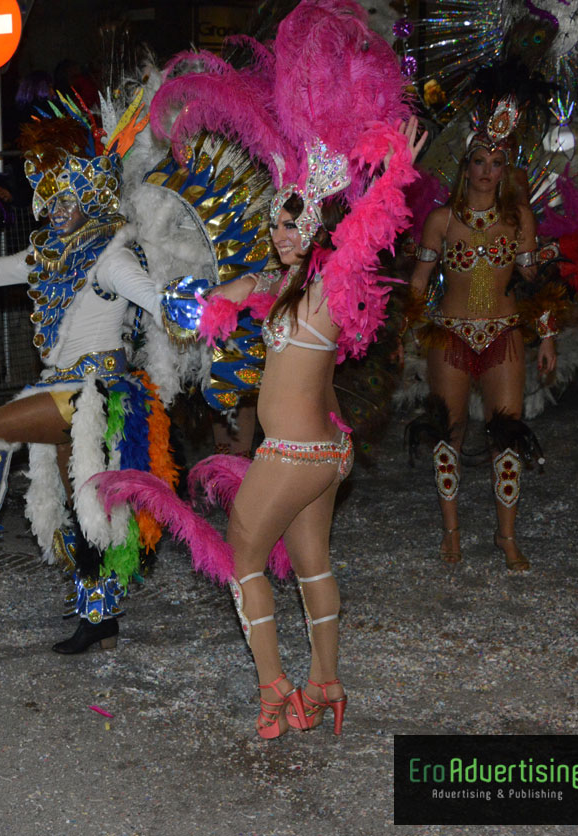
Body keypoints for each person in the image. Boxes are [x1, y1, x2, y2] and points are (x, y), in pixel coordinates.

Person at [91, 0, 420, 738]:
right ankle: (326, 683)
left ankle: (273, 689)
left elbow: (361, 242)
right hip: (323, 450)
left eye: (296, 219)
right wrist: (201, 300)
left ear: (320, 224)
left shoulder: (329, 288)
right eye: (277, 218)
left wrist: (392, 175)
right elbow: (235, 291)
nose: (282, 230)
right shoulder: (283, 286)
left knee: (243, 553)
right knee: (311, 564)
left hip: (297, 452)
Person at [0, 99, 179, 654]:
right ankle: (100, 618)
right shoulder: (50, 254)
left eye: (64, 198)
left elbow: (160, 303)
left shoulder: (112, 257)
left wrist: (202, 306)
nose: (53, 210)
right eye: (46, 198)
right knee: (87, 511)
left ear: (90, 195)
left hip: (95, 393)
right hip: (62, 389)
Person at [408, 98, 556, 571]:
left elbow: (533, 283)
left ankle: (505, 535)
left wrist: (547, 335)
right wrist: (400, 331)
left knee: (507, 437)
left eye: (496, 163)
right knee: (447, 436)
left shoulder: (518, 220)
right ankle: (451, 531)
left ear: (505, 170)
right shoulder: (441, 221)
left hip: (504, 335)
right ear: (466, 166)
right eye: (479, 161)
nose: (487, 171)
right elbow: (418, 283)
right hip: (449, 336)